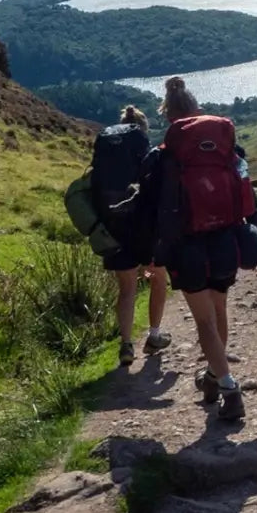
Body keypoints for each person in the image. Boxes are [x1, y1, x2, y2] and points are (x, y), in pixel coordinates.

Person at [134, 77, 257, 421]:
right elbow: (248, 198)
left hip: (186, 247)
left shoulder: (161, 158)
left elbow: (147, 211)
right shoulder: (230, 153)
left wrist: (148, 253)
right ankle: (212, 377)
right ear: (197, 110)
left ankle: (228, 386)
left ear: (168, 117)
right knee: (219, 311)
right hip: (226, 240)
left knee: (204, 321)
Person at [97, 105, 170, 366]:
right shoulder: (145, 151)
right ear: (144, 128)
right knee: (156, 278)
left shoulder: (107, 149)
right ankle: (154, 335)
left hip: (116, 228)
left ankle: (126, 346)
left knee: (127, 287)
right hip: (144, 231)